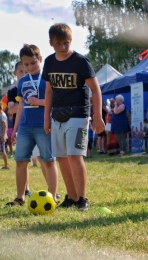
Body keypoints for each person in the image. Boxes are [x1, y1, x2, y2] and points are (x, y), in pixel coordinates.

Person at [42, 23, 105, 211]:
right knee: (61, 158)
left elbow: (95, 88)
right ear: (51, 43)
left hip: (78, 115)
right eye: (59, 43)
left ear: (71, 41)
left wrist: (98, 115)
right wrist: (46, 119)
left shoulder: (80, 61)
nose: (63, 47)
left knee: (75, 156)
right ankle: (71, 197)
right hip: (57, 116)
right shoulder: (49, 62)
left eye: (66, 43)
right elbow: (48, 92)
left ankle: (82, 199)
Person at [6, 44, 59, 207]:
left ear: (40, 60)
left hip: (44, 126)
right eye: (26, 64)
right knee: (21, 161)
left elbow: (55, 101)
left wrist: (38, 102)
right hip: (25, 128)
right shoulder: (22, 82)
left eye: (33, 63)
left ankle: (53, 195)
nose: (30, 67)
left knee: (48, 161)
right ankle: (20, 197)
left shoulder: (48, 78)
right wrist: (15, 130)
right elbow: (20, 108)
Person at [7, 61, 31, 197]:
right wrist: (26, 102)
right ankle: (26, 189)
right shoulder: (12, 91)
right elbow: (12, 109)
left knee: (42, 158)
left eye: (26, 72)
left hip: (35, 124)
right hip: (21, 127)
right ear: (15, 73)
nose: (24, 74)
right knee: (23, 160)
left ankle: (53, 191)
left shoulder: (34, 86)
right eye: (21, 71)